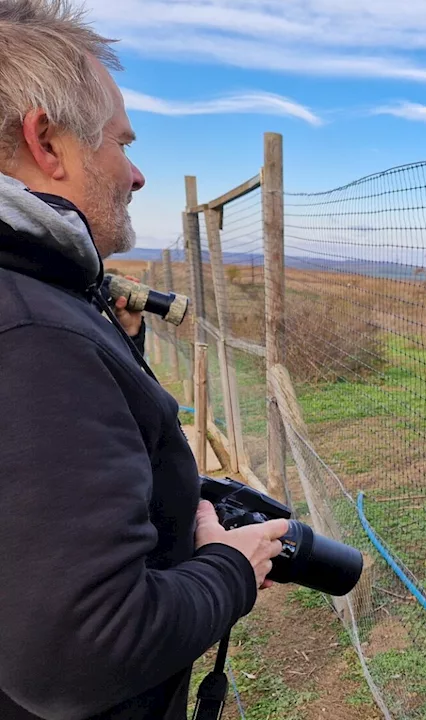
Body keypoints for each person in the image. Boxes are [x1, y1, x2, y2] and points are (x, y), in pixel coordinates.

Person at [0, 1, 290, 718]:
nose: (135, 175)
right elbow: (81, 646)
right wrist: (231, 570)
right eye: (120, 143)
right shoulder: (36, 333)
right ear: (48, 142)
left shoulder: (36, 303)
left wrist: (114, 341)